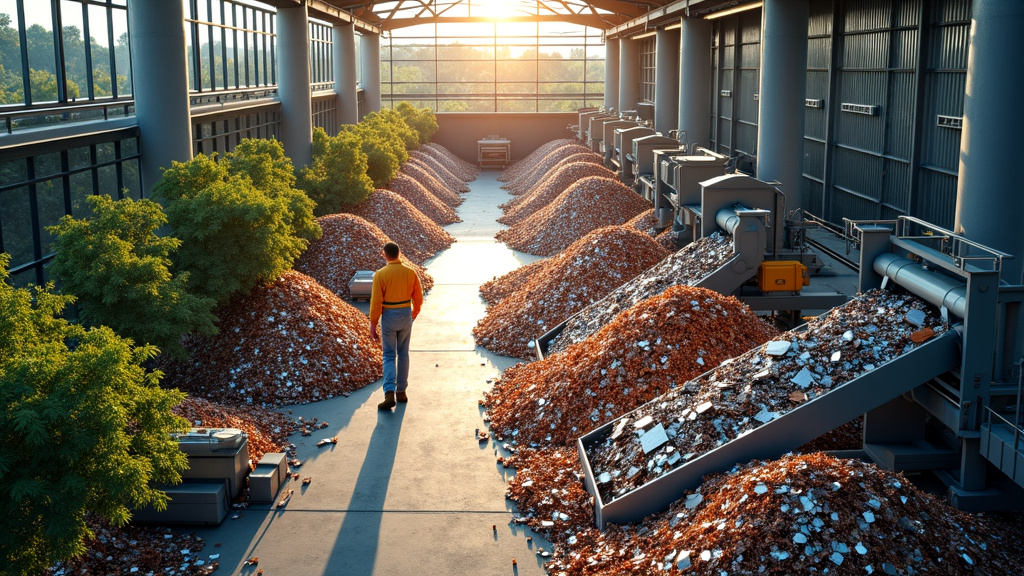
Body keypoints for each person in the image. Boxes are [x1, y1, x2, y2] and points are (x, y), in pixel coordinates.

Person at [369, 241, 423, 410]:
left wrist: (373, 323)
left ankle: (389, 393)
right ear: (399, 253)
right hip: (405, 313)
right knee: (404, 353)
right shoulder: (410, 272)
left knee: (389, 355)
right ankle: (402, 392)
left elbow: (376, 301)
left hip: (389, 316)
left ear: (385, 254)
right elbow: (419, 297)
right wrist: (413, 314)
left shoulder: (380, 274)